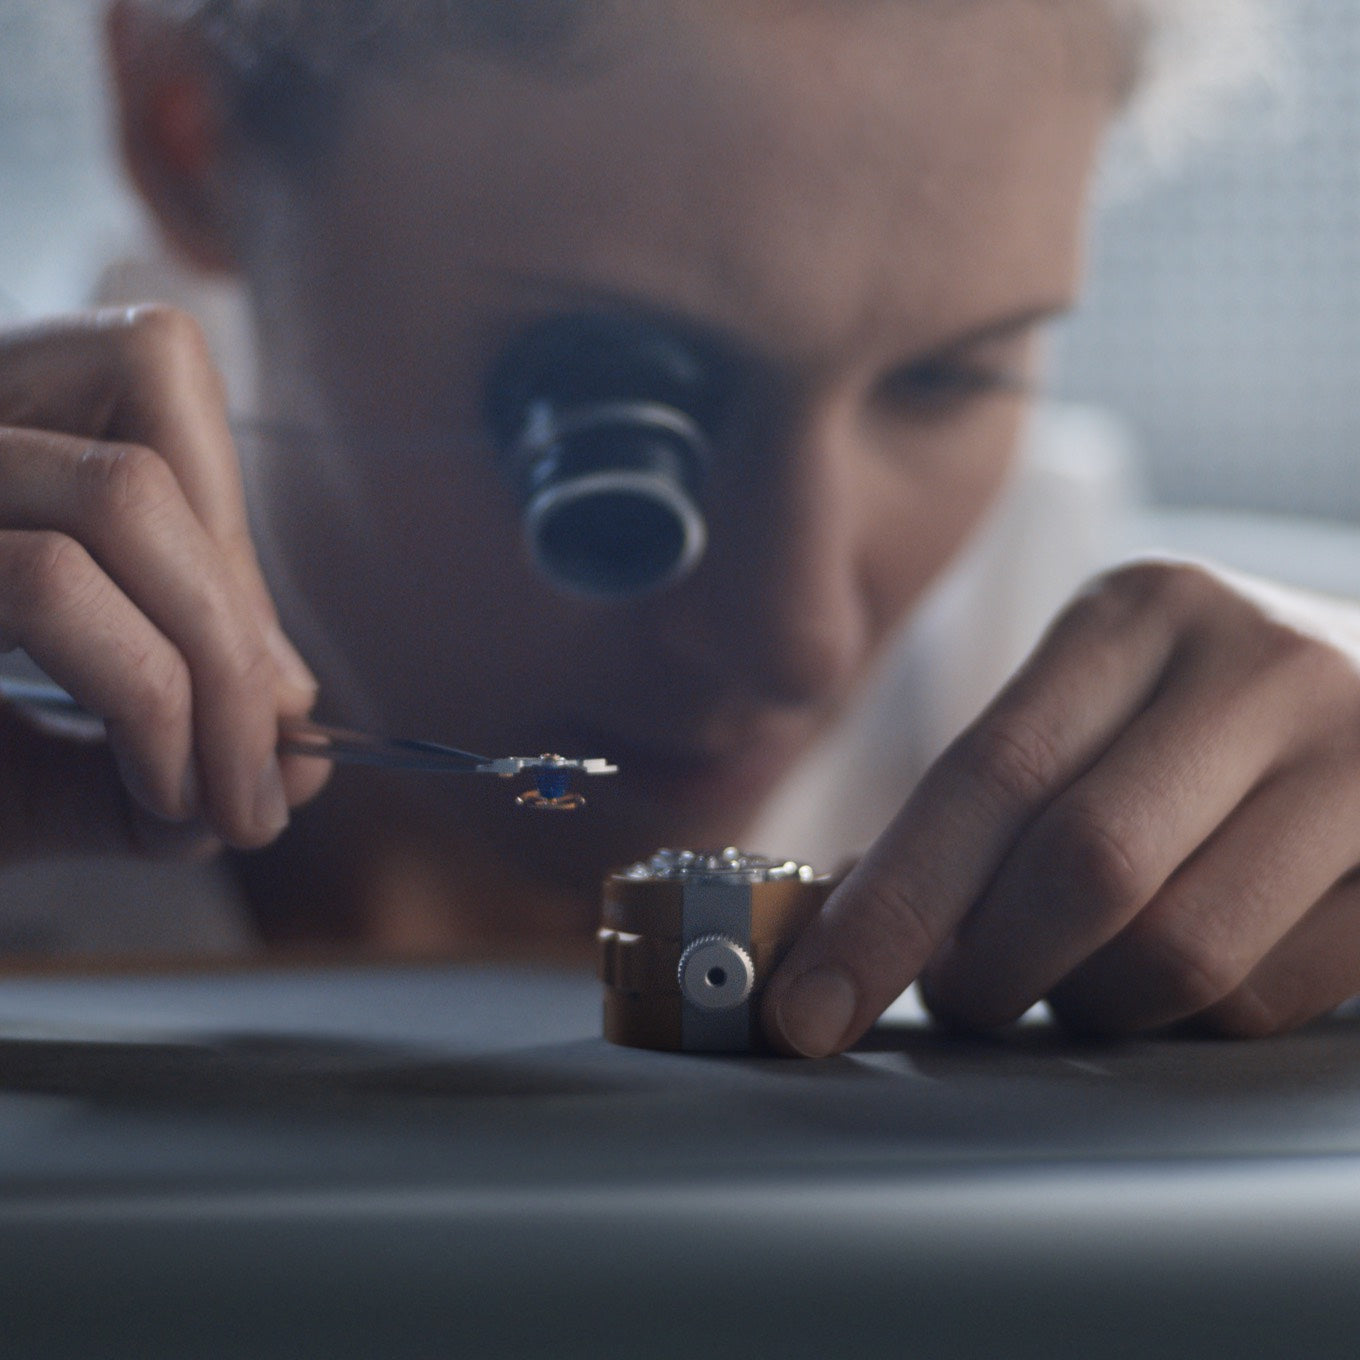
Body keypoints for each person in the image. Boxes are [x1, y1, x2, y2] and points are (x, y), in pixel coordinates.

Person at [5, 0, 1355, 1058]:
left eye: (945, 380)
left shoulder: (1153, 678)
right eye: (606, 422)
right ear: (199, 135)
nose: (802, 646)